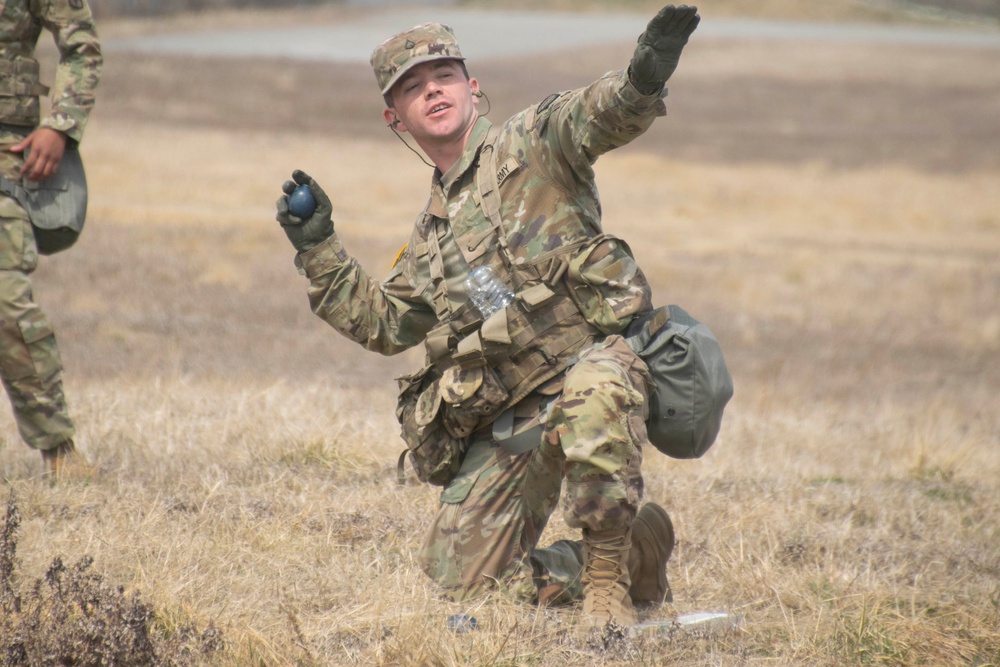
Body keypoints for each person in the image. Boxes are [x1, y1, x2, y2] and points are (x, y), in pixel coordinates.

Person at [277, 5, 700, 628]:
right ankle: (636, 550)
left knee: (594, 391)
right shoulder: (429, 240)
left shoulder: (533, 142)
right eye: (413, 88)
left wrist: (642, 79)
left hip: (598, 365)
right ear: (395, 118)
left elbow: (596, 115)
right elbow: (384, 323)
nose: (433, 91)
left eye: (443, 76)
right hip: (517, 415)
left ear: (472, 87)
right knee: (463, 585)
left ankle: (609, 581)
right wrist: (319, 249)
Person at [0, 0, 102, 478]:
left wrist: (60, 124)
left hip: (6, 151)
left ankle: (59, 450)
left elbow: (81, 46)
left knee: (6, 301)